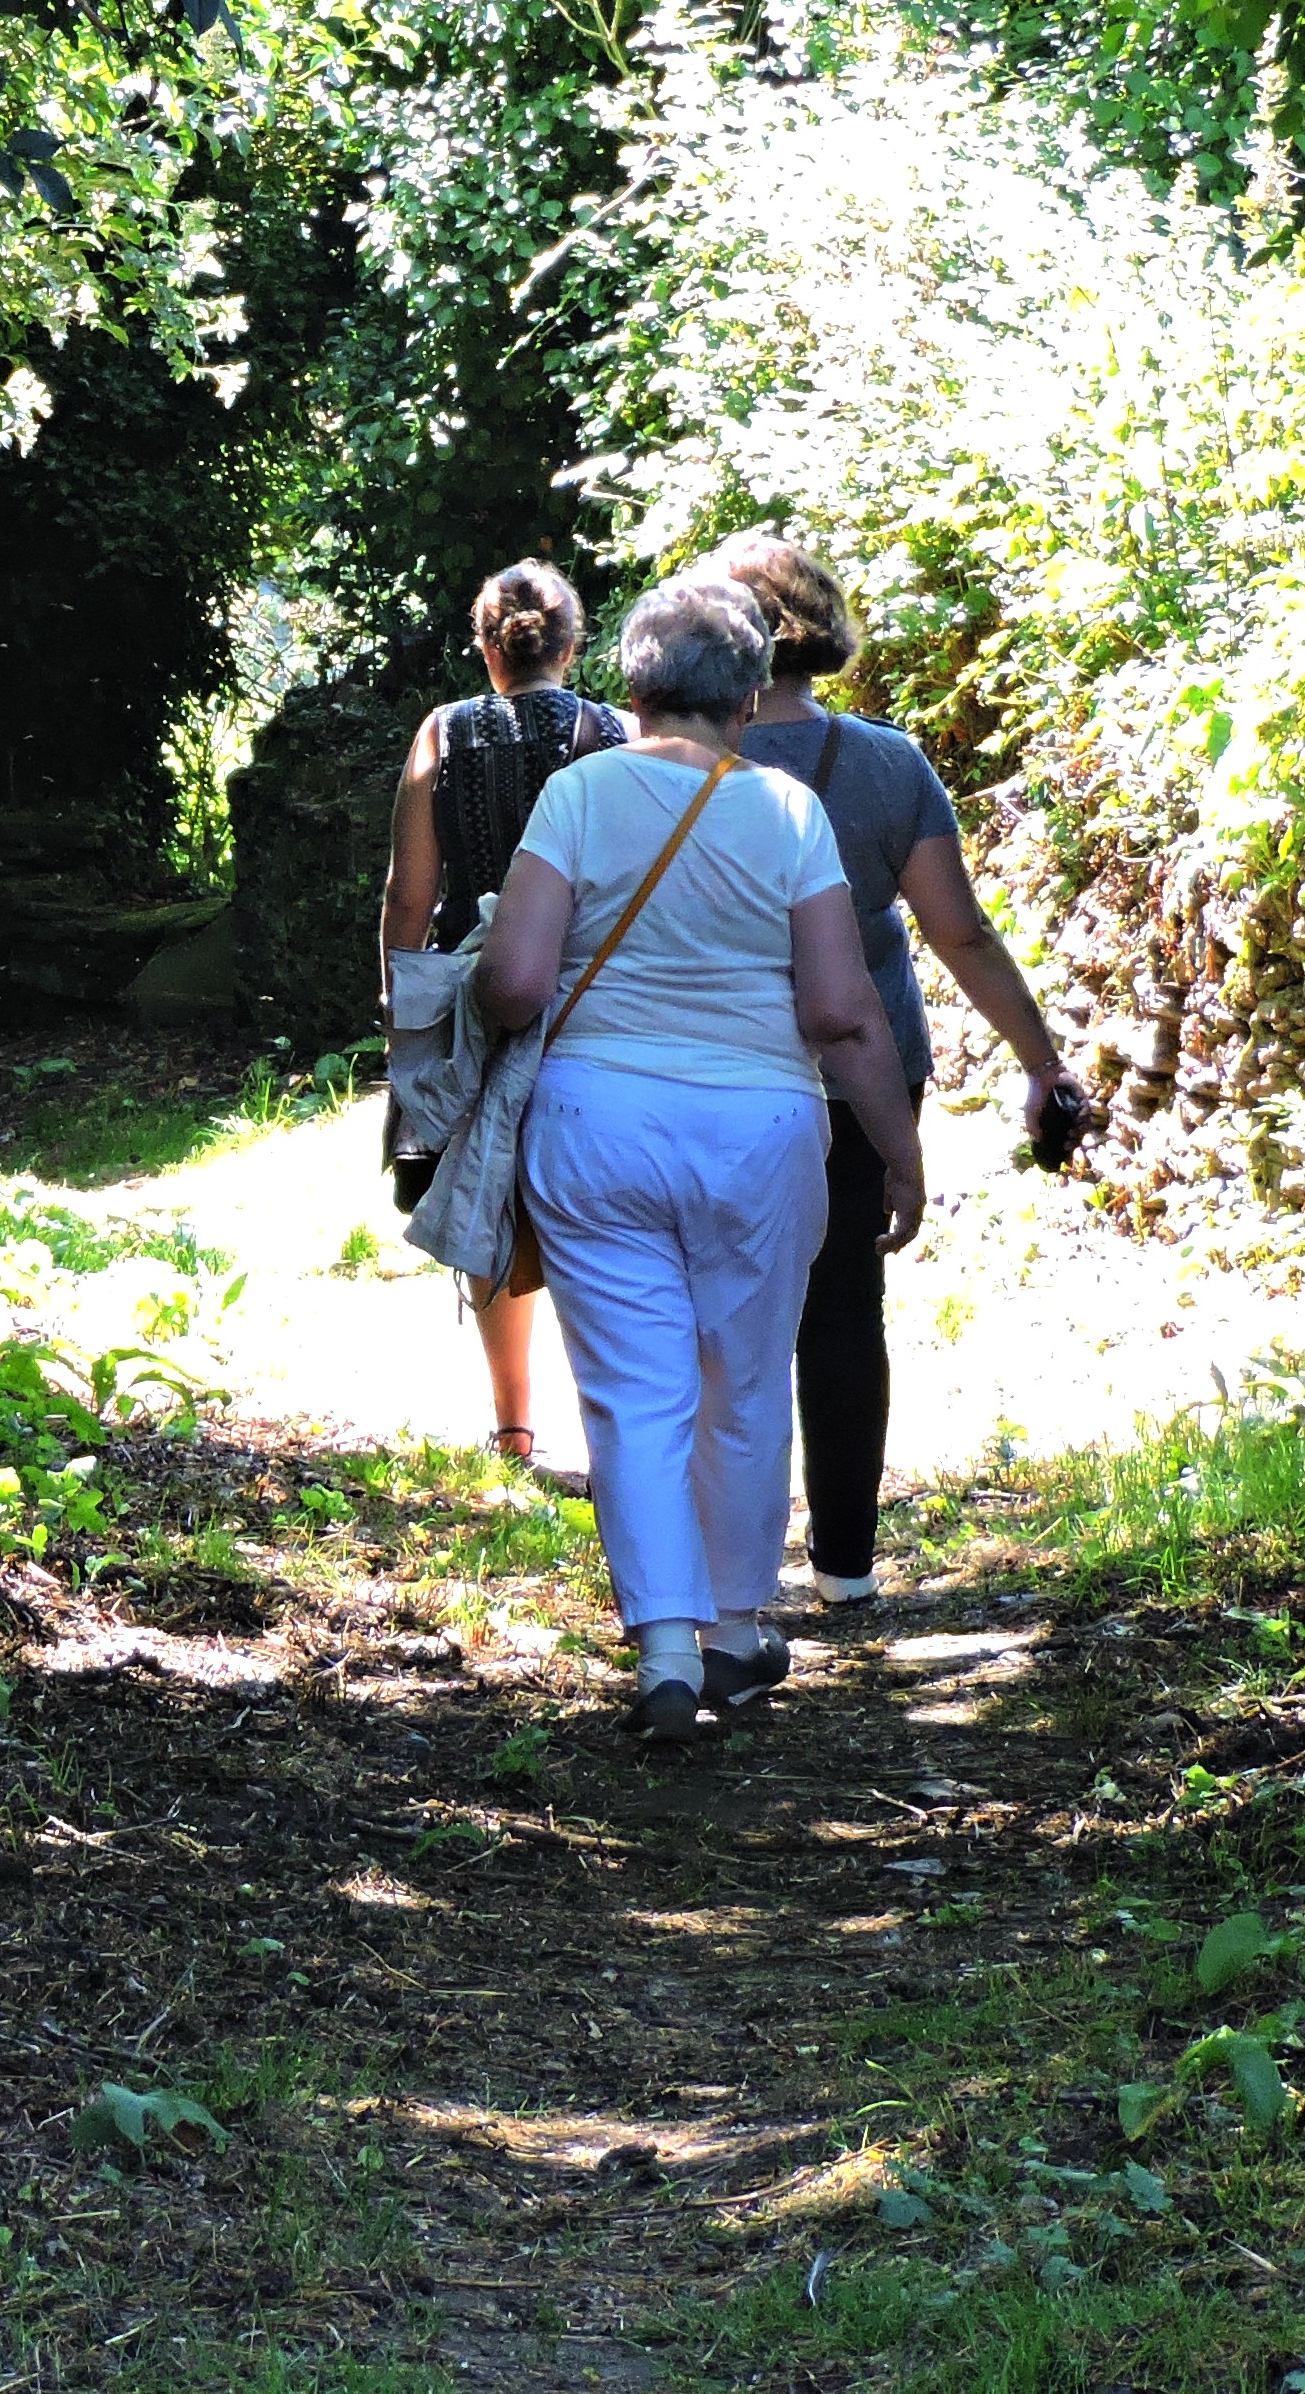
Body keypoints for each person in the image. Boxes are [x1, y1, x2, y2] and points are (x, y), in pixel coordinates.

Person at [470, 575, 924, 1749]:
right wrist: (897, 1145)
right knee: (745, 1376)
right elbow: (839, 1010)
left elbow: (517, 984)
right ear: (749, 690)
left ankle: (665, 1652)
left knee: (633, 1392)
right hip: (760, 1136)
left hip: (596, 1129)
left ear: (631, 684)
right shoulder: (785, 813)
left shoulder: (576, 796)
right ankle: (735, 1628)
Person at [707, 530, 1081, 1610]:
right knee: (840, 1305)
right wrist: (1041, 1061)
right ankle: (847, 1568)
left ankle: (718, 1572)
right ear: (817, 626)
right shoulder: (884, 764)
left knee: (718, 1309)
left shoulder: (664, 772)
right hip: (864, 1064)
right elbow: (959, 933)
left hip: (717, 1065)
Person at [376, 560, 626, 1482]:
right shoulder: (621, 734)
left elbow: (413, 892)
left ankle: (515, 1428)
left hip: (478, 993)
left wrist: (398, 998)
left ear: (488, 650)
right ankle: (615, 1423)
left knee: (488, 1187)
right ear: (574, 646)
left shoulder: (442, 734)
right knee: (595, 1205)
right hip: (590, 993)